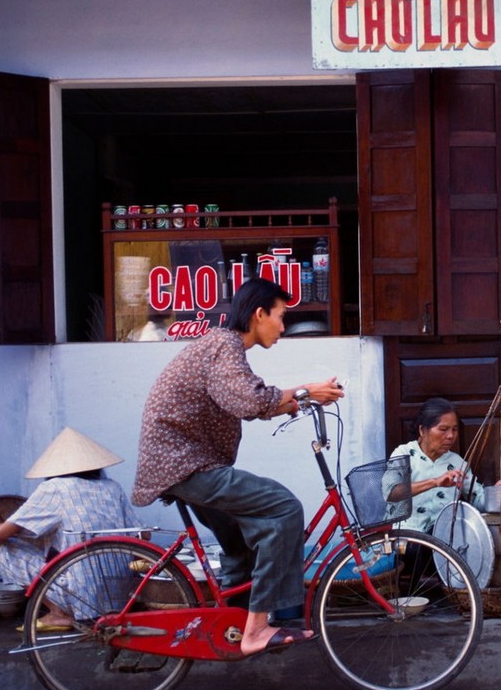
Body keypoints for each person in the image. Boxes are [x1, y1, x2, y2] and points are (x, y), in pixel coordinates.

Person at [132, 278, 345, 657]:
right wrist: (305, 391)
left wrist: (299, 401)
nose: (283, 327)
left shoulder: (224, 349)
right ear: (259, 314)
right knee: (283, 508)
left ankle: (232, 625)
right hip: (185, 464)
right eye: (280, 317)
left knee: (240, 540)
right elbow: (250, 401)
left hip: (186, 464)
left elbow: (251, 400)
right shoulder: (223, 345)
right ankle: (257, 629)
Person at [0, 427, 143, 631]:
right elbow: (143, 535)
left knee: (8, 551)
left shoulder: (54, 488)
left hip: (82, 596)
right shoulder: (112, 487)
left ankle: (58, 613)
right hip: (121, 596)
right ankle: (87, 608)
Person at [383, 397, 483, 533]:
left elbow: (478, 499)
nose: (450, 436)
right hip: (407, 537)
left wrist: (497, 494)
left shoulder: (457, 463)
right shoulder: (404, 454)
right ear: (422, 430)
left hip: (443, 538)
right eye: (443, 429)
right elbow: (390, 492)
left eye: (454, 429)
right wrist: (435, 482)